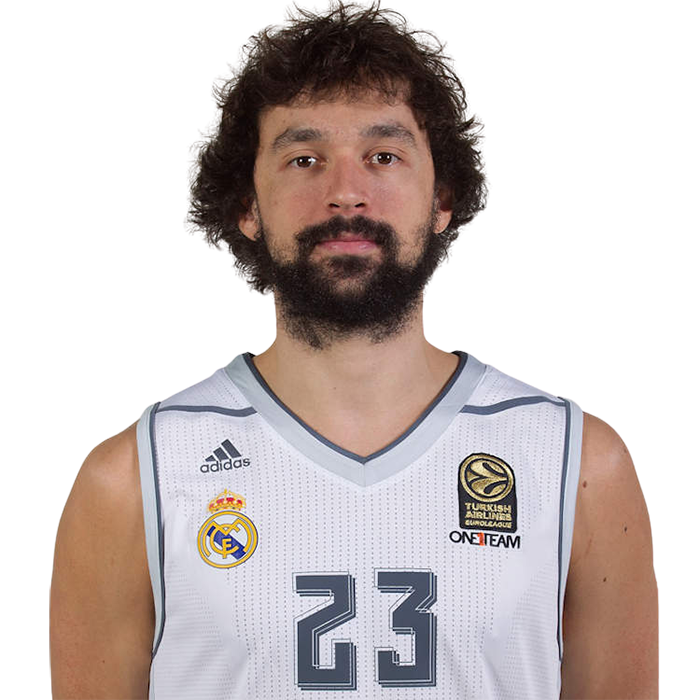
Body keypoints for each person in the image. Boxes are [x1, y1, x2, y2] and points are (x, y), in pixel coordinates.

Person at [49, 9, 658, 699]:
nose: (345, 192)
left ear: (441, 200)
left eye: (383, 156)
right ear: (248, 206)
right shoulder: (134, 480)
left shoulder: (577, 466)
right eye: (304, 159)